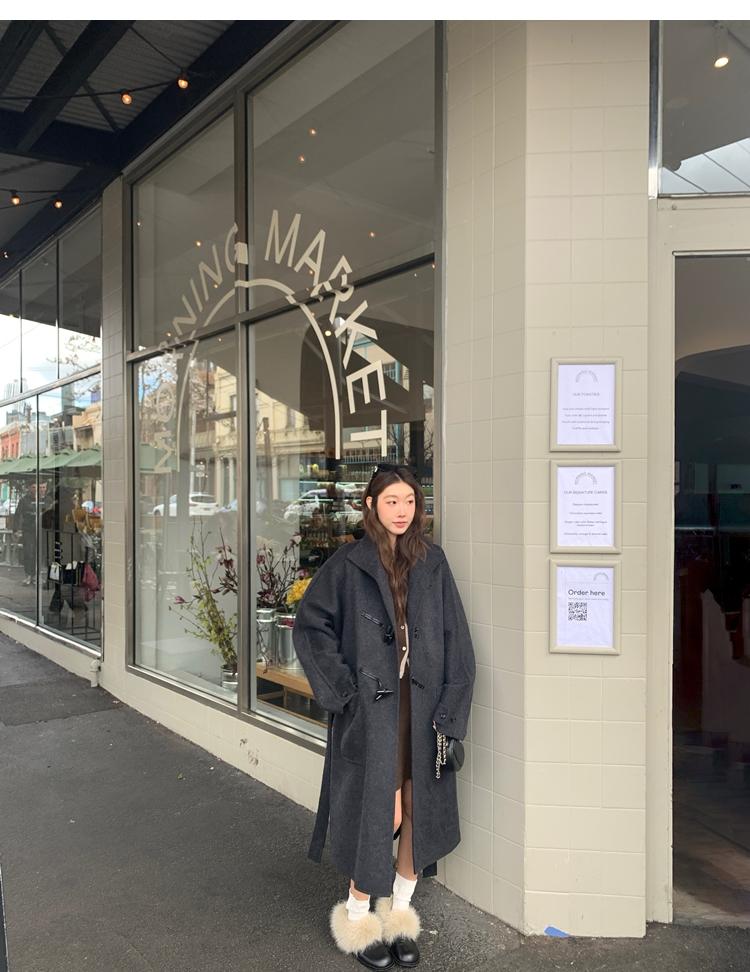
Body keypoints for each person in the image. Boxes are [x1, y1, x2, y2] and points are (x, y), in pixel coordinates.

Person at [292, 463, 476, 970]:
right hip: (373, 711)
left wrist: (452, 707)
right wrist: (344, 691)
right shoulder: (349, 563)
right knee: (383, 812)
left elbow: (456, 640)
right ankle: (356, 917)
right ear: (371, 505)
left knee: (420, 809)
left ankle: (398, 914)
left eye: (409, 501)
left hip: (424, 708)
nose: (402, 511)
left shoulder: (432, 562)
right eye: (392, 501)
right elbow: (310, 626)